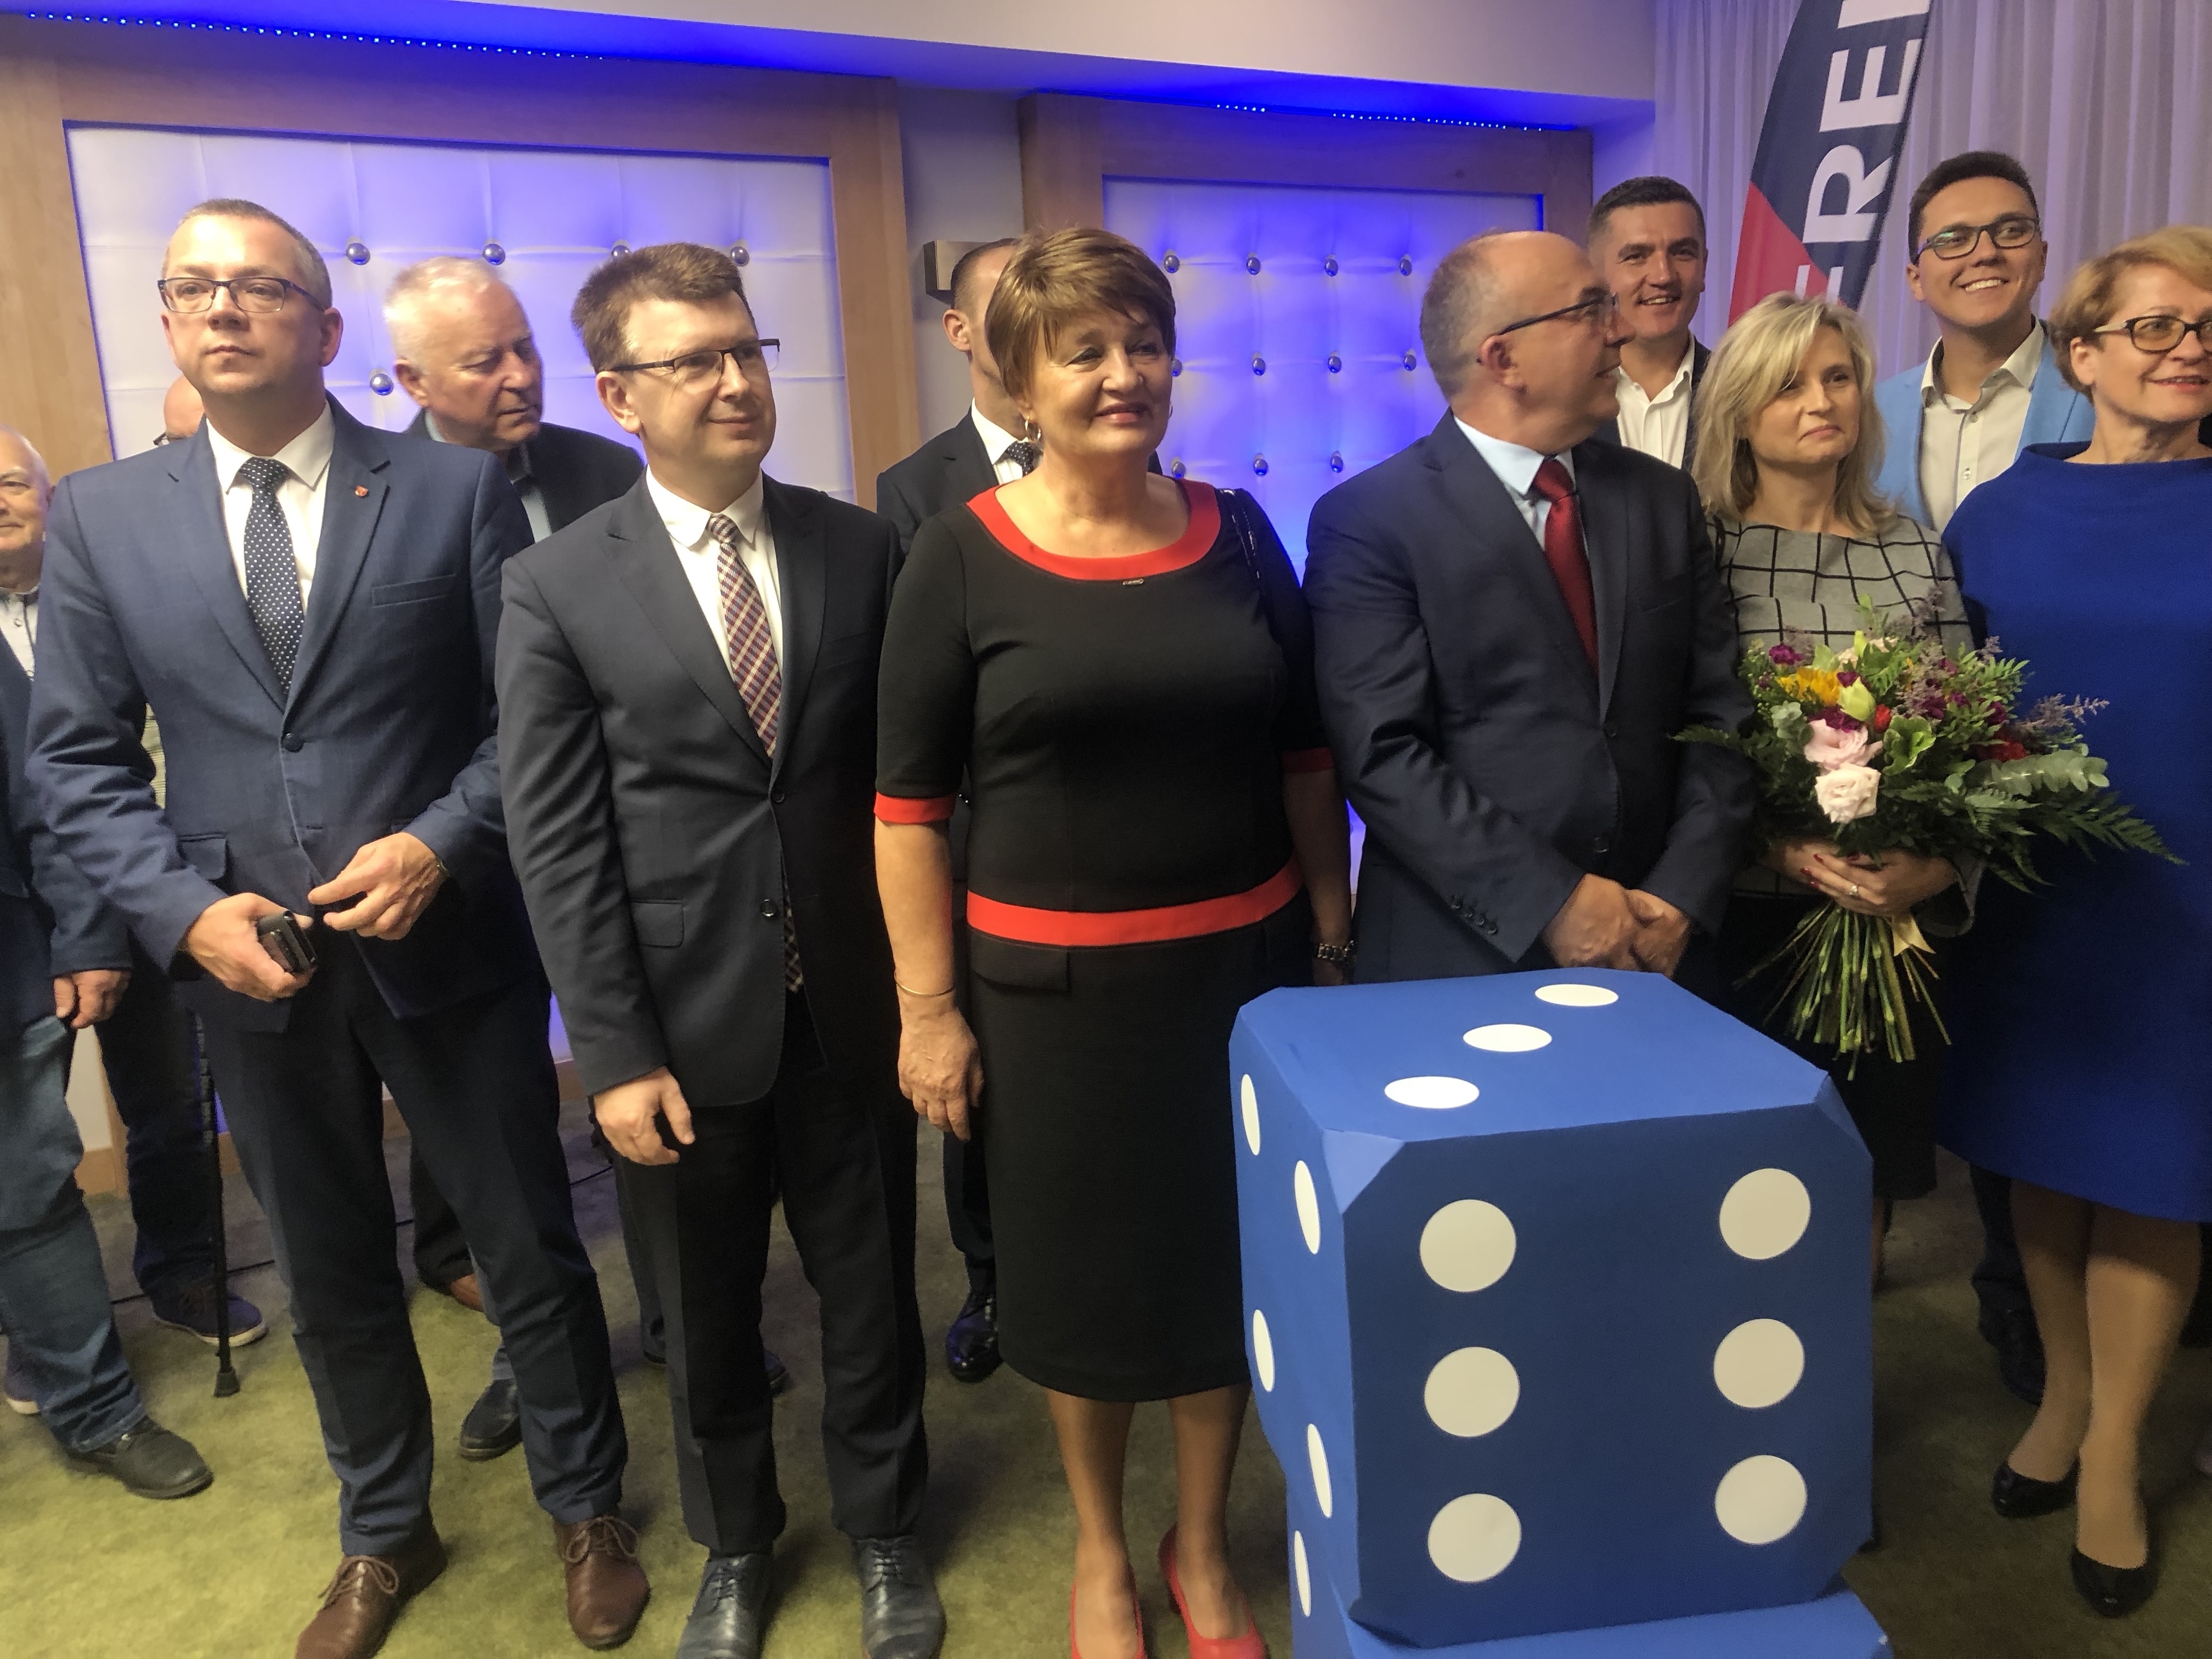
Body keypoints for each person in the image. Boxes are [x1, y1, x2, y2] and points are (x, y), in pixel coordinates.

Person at [27, 199, 645, 1658]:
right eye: (194, 287)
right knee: (325, 1266)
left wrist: (440, 842)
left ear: (326, 324)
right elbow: (76, 763)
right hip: (249, 965)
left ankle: (586, 1506)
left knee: (527, 1243)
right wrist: (181, 915)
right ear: (169, 321)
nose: (223, 307)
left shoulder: (449, 490)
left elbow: (524, 721)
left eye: (258, 285)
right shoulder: (104, 517)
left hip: (452, 939)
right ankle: (384, 1528)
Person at [876, 225, 1352, 1659]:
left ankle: (1198, 1542)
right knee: (1081, 1286)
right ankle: (1099, 1546)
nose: (1122, 373)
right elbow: (906, 813)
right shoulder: (960, 553)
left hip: (1241, 982)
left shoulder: (1241, 533)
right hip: (1051, 1007)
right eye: (1082, 351)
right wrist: (928, 1012)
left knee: (1222, 1272)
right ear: (1018, 382)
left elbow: (1305, 756)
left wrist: (1330, 932)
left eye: (1144, 343)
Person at [498, 242, 939, 1659]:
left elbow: (906, 786)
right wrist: (612, 1055)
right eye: (697, 361)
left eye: (747, 351)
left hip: (854, 1002)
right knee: (700, 1310)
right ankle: (737, 1545)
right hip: (677, 1026)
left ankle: (886, 1528)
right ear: (622, 394)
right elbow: (557, 840)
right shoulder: (558, 585)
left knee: (872, 1287)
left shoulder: (858, 547)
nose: (738, 381)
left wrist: (930, 991)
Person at [382, 254, 715, 1465]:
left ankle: (686, 1318)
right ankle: (534, 1355)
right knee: (502, 1130)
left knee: (648, 1080)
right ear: (414, 380)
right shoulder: (388, 495)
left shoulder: (603, 468)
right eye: (485, 361)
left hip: (618, 842)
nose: (521, 374)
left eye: (524, 346)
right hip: (468, 856)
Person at [1938, 225, 2212, 1620]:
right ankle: (2061, 1398)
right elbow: (1949, 697)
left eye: (2207, 328)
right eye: (2157, 326)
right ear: (2085, 353)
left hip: (2191, 902)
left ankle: (2113, 1454)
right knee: (2041, 1152)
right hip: (2041, 893)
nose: (2189, 349)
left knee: (2159, 1169)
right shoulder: (2001, 514)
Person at [1305, 230, 1752, 990]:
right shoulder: (1371, 521)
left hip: (1661, 946)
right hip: (1463, 956)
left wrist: (1682, 893)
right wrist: (1553, 903)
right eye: (1591, 309)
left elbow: (1720, 714)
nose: (1620, 328)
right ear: (1503, 358)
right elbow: (1382, 754)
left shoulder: (1662, 499)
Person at [1691, 294, 1974, 1284]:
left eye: (1838, 377)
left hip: (1889, 929)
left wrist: (1933, 866)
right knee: (1737, 1186)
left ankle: (1839, 1362)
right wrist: (1773, 846)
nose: (1821, 401)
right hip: (1741, 922)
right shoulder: (1700, 551)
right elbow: (1678, 741)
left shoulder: (1915, 548)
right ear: (1737, 411)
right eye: (1788, 384)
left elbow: (1972, 738)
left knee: (1860, 1176)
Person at [1871, 150, 2092, 1407]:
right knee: (1956, 1046)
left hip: (2068, 757)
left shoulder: (2103, 389)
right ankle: (1996, 1285)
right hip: (1905, 771)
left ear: (2043, 255)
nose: (1983, 254)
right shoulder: (1867, 407)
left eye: (2010, 231)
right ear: (1915, 274)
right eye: (1953, 238)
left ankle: (2043, 1302)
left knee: (2051, 1043)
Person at [0, 415, 267, 1385]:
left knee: (170, 1106)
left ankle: (182, 1272)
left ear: (52, 495)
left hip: (142, 886)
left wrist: (124, 909)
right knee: (23, 1146)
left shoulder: (115, 588)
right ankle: (40, 1335)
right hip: (16, 921)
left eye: (11, 484)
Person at [872, 236, 1023, 1388]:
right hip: (973, 827)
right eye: (1008, 305)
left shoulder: (1132, 444)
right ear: (959, 331)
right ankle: (989, 1274)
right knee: (980, 1074)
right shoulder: (913, 490)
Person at [1588, 176, 1712, 471]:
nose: (1663, 276)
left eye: (1682, 253)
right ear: (1596, 274)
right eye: (1636, 256)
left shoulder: (1745, 394)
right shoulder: (1560, 401)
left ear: (1704, 266)